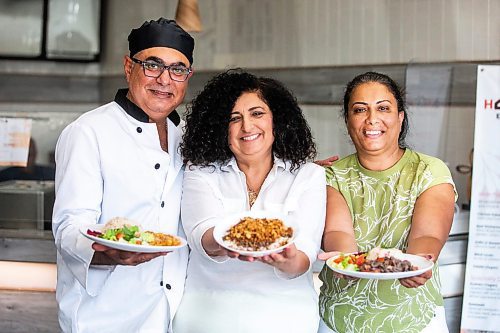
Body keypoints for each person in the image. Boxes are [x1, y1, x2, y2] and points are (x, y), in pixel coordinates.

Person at [52, 18, 194, 333]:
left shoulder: (188, 137)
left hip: (170, 312)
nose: (165, 79)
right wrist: (109, 253)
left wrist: (291, 170)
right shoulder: (88, 132)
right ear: (129, 67)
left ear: (188, 77)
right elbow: (69, 226)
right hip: (104, 316)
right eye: (153, 65)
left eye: (178, 69)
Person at [173, 70, 326, 333]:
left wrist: (285, 259)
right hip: (206, 317)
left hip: (287, 320)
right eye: (234, 118)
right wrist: (226, 242)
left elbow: (304, 257)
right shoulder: (201, 171)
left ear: (277, 119)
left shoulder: (309, 175)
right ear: (220, 128)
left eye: (257, 113)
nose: (247, 127)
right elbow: (202, 237)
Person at [317, 72, 457, 333]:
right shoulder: (331, 174)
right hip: (341, 318)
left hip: (414, 318)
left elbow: (427, 234)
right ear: (348, 120)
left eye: (383, 108)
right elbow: (338, 231)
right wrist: (345, 262)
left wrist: (420, 262)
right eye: (360, 110)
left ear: (400, 117)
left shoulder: (429, 170)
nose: (372, 119)